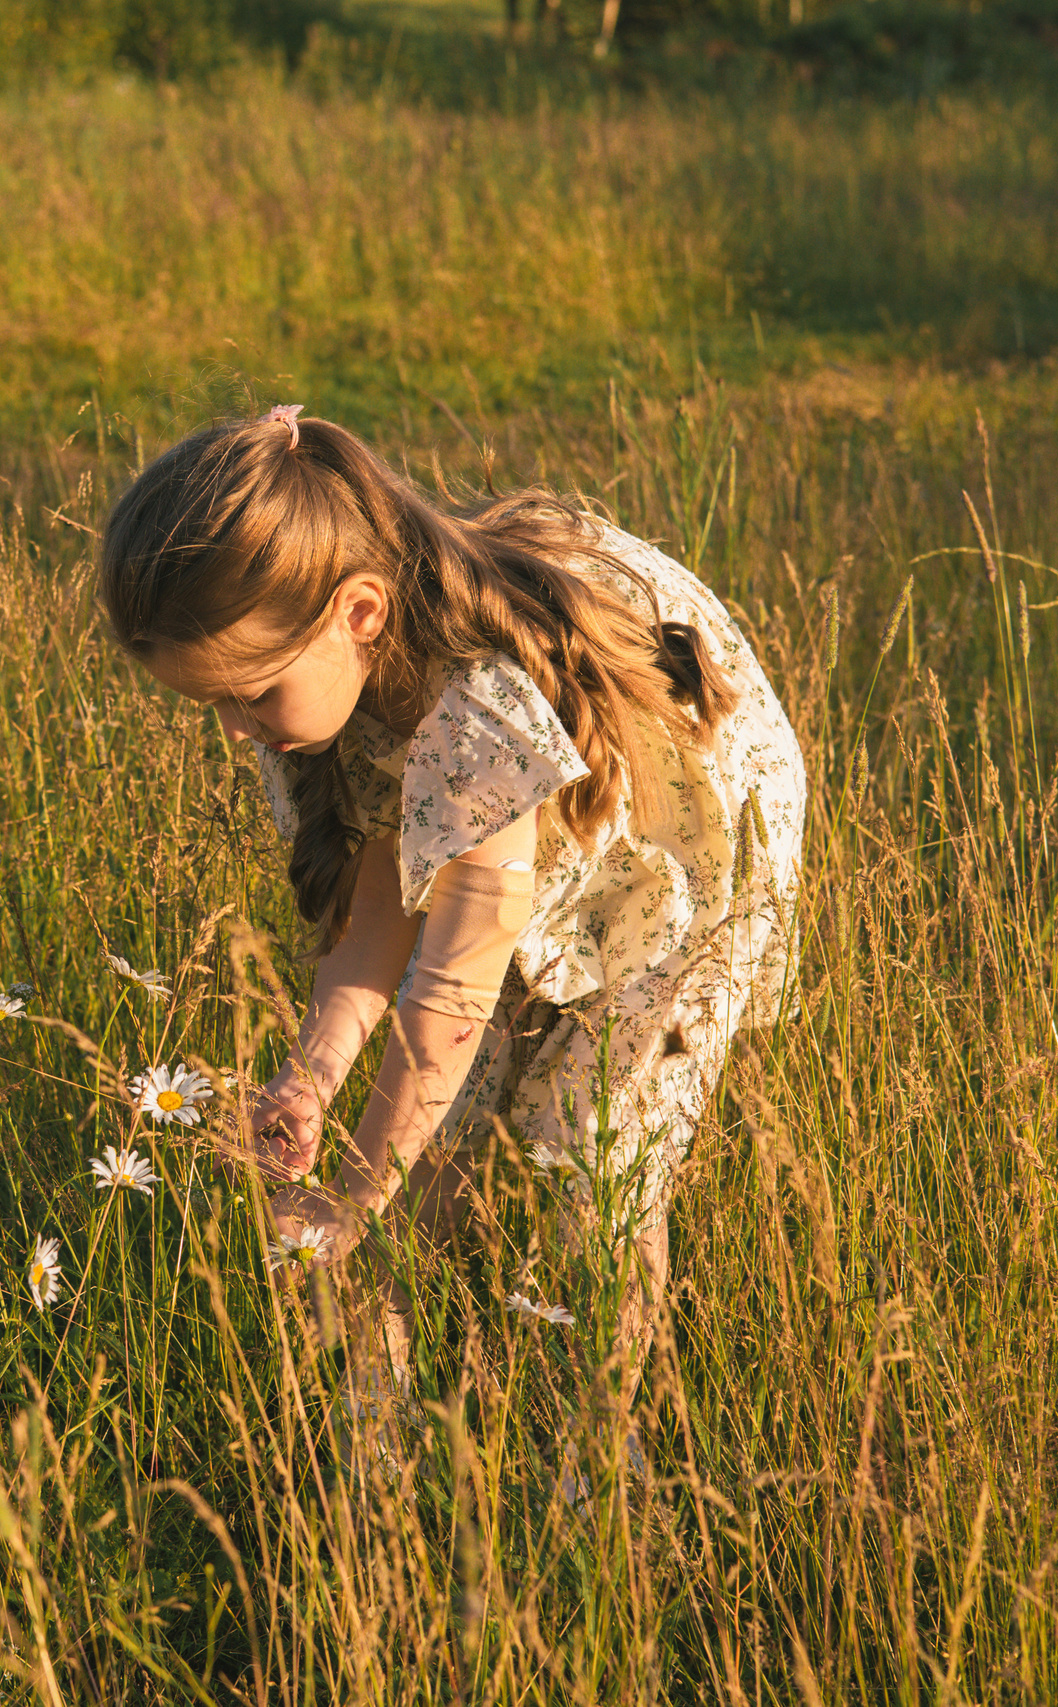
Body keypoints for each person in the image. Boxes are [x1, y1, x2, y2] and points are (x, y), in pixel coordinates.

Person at [95, 404, 805, 1410]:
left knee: (589, 1156)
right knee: (447, 1128)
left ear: (360, 616)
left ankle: (609, 1452)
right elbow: (377, 914)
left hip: (683, 864)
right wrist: (311, 1077)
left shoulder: (477, 717)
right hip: (539, 834)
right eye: (210, 703)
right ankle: (388, 1412)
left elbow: (450, 995)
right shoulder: (323, 701)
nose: (234, 730)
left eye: (248, 695)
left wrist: (352, 1194)